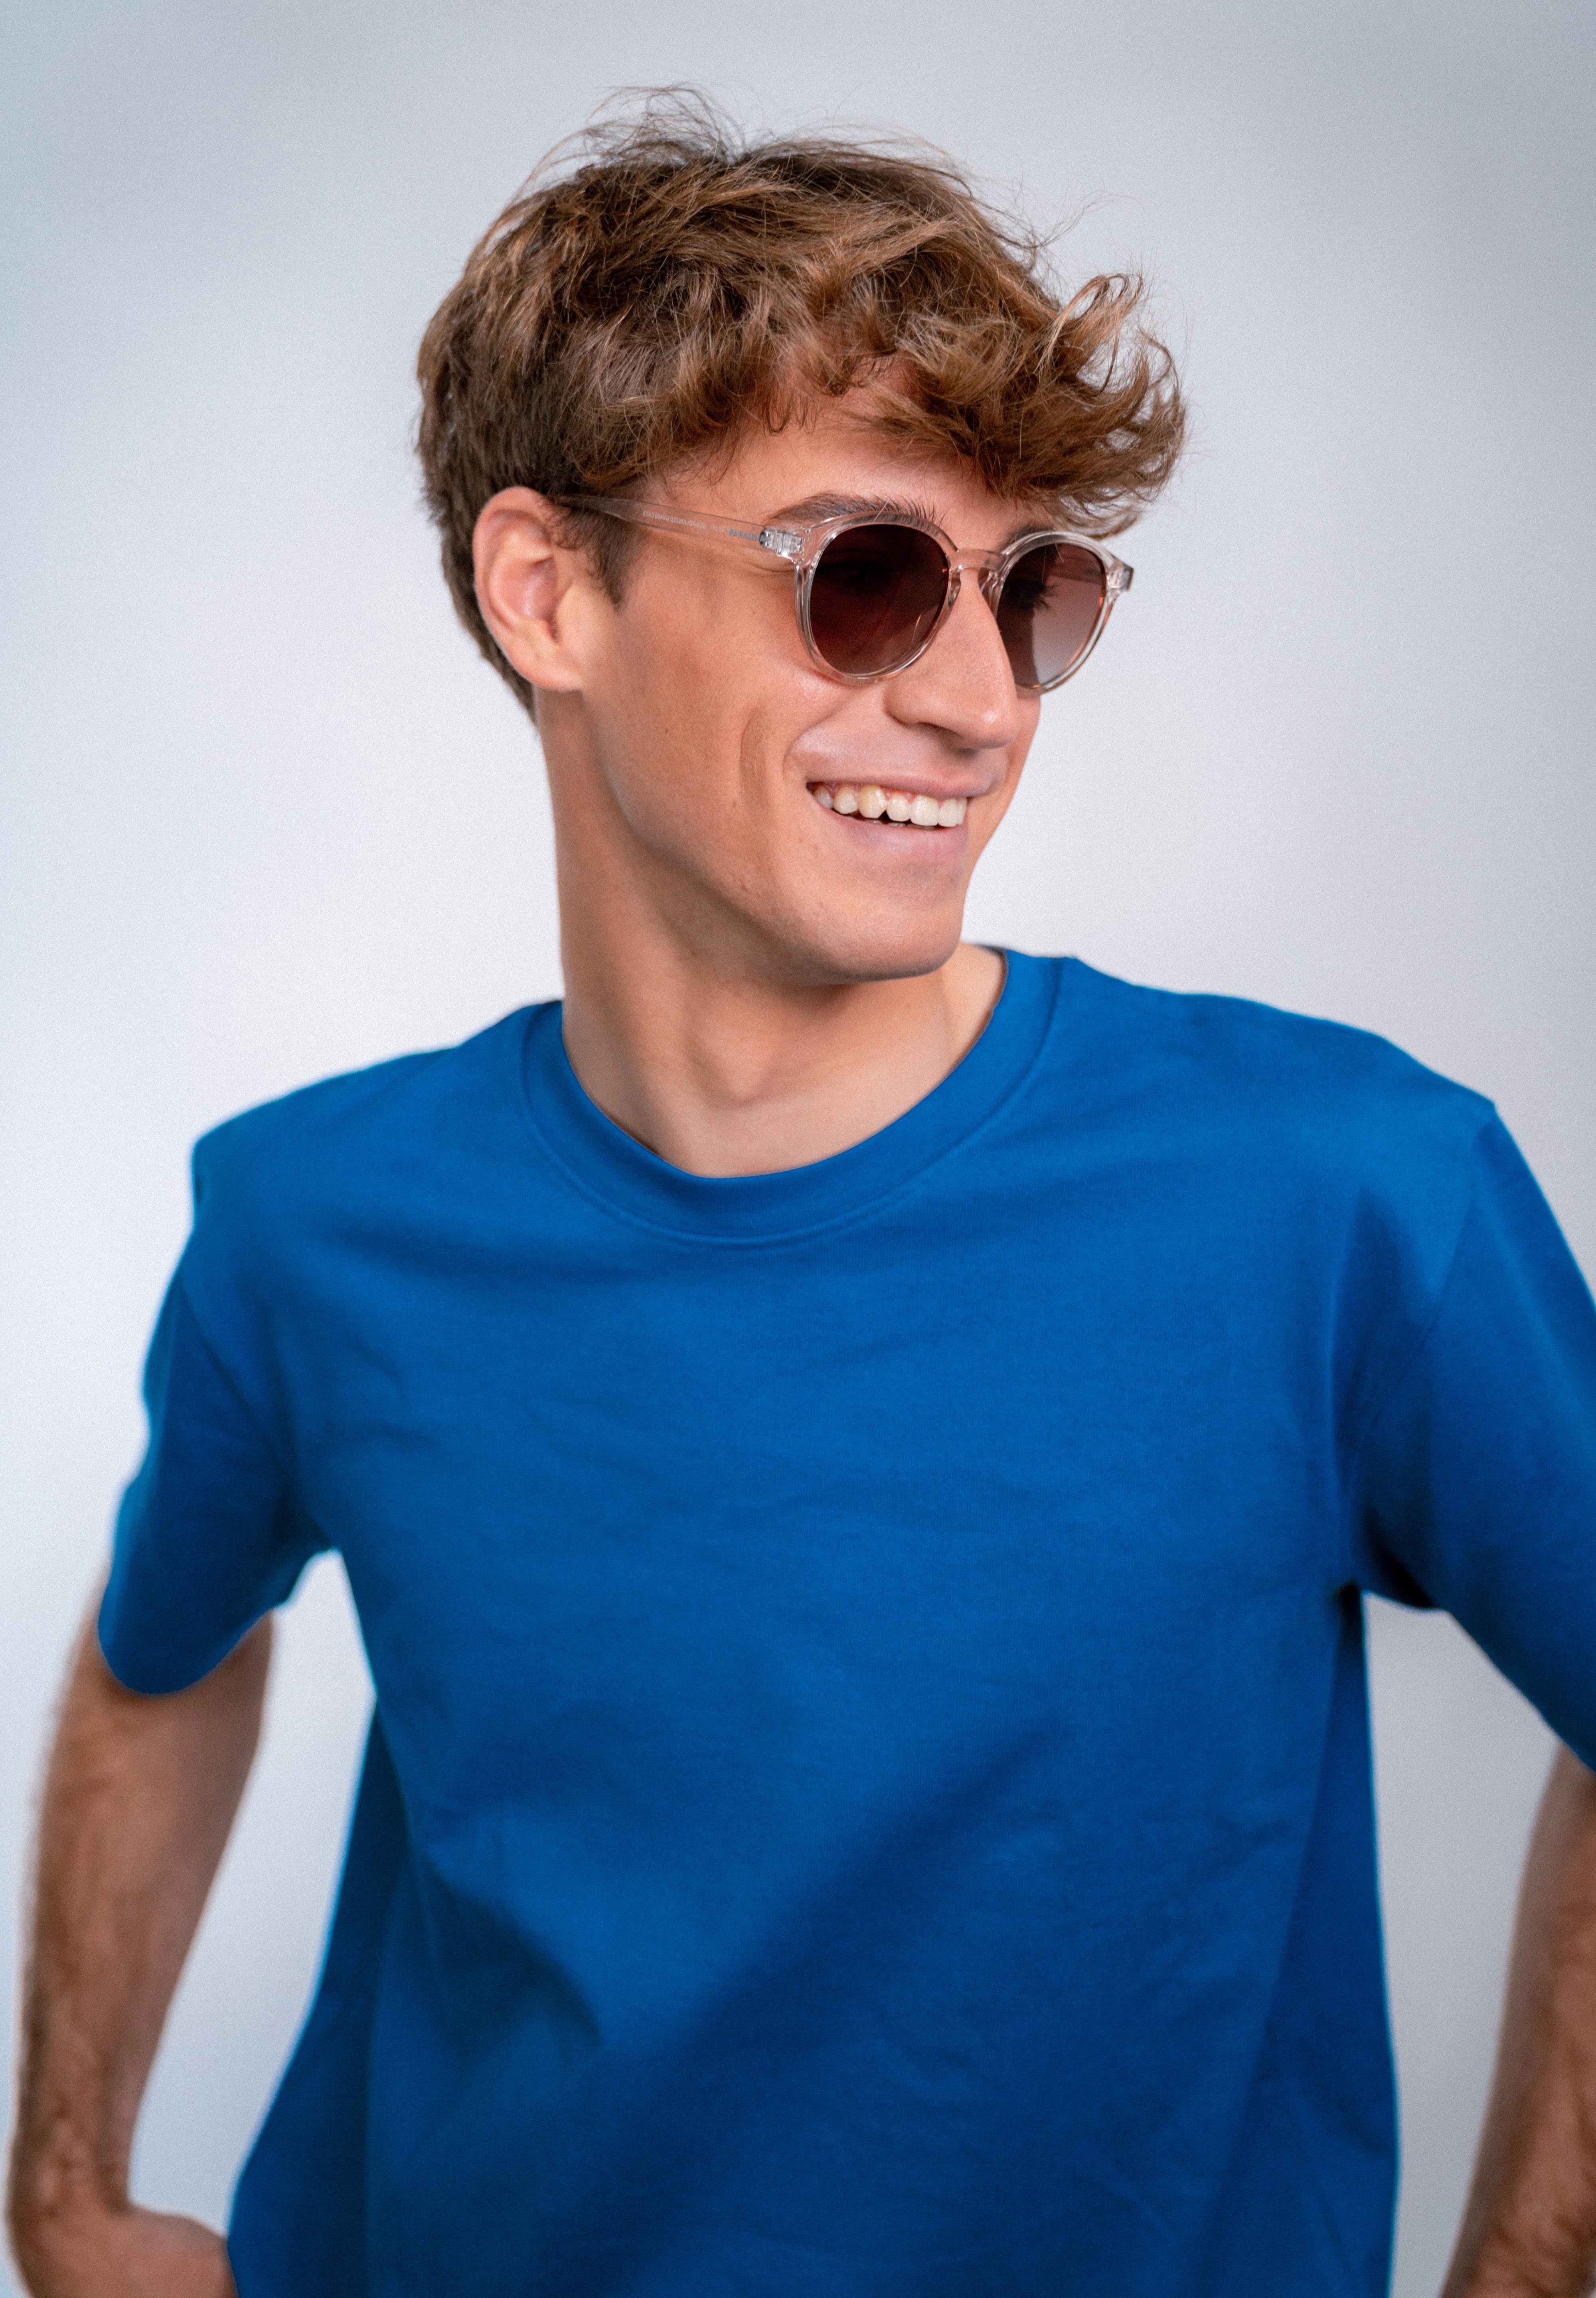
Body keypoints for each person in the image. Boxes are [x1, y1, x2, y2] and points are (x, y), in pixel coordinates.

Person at [7, 94, 1596, 2298]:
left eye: (1033, 595)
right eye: (867, 578)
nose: (978, 702)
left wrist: (1531, 2269)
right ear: (550, 591)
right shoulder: (312, 1223)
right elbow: (163, 1656)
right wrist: (63, 2188)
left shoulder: (1347, 1197)